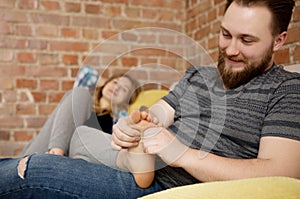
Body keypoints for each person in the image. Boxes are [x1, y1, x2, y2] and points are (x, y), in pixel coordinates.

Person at [0, 0, 299, 198]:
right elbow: (160, 112)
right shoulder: (199, 76)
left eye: (246, 40)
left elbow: (283, 172)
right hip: (142, 163)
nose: (231, 49)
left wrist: (182, 154)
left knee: (30, 170)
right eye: (225, 34)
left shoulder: (287, 90)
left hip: (160, 182)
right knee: (69, 140)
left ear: (279, 40)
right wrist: (135, 126)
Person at [21, 73, 141, 157]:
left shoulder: (118, 118)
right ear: (106, 83)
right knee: (80, 93)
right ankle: (56, 152)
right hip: (43, 151)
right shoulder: (83, 101)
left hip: (76, 158)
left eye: (124, 89)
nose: (116, 88)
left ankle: (54, 156)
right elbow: (87, 71)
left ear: (128, 99)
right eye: (115, 82)